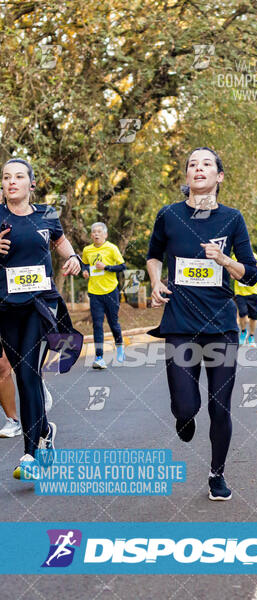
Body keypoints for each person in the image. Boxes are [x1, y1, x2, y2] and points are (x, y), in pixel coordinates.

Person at [146, 147, 257, 501]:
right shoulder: (169, 215)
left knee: (219, 405)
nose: (198, 169)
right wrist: (155, 281)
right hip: (179, 322)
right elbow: (152, 255)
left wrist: (225, 259)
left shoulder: (232, 219)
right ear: (187, 176)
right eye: (192, 164)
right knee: (185, 405)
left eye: (206, 164)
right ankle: (184, 416)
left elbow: (250, 275)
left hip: (221, 324)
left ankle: (216, 474)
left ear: (219, 176)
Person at [0, 158, 82, 479]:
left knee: (30, 372)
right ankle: (45, 431)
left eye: (19, 176)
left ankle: (30, 454)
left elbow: (60, 242)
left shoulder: (46, 214)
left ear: (31, 184)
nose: (11, 182)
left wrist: (73, 257)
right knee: (22, 374)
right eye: (6, 177)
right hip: (6, 306)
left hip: (38, 303)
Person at [82, 223, 127, 369]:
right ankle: (99, 357)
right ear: (91, 235)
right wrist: (84, 271)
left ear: (105, 235)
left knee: (113, 323)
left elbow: (122, 266)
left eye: (99, 232)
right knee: (97, 325)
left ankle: (120, 347)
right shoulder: (87, 250)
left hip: (111, 291)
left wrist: (106, 267)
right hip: (95, 293)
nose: (96, 234)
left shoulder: (112, 248)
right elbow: (84, 264)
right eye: (94, 232)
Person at [233, 252, 257, 348]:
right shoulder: (234, 256)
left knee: (253, 317)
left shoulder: (255, 256)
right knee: (243, 313)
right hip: (240, 292)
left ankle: (251, 336)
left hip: (253, 291)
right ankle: (244, 331)